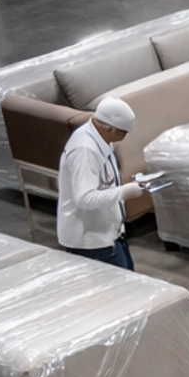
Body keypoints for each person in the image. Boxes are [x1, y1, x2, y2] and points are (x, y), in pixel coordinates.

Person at [57, 95, 150, 269]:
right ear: (110, 128)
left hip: (110, 233)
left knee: (129, 281)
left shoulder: (102, 139)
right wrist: (125, 192)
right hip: (91, 241)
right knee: (119, 290)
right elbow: (85, 198)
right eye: (123, 132)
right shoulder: (84, 151)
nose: (125, 136)